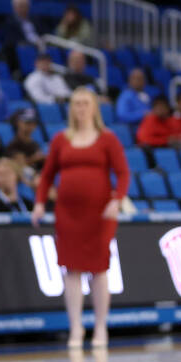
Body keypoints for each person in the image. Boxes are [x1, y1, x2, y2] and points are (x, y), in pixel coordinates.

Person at [31, 88, 130, 348]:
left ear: (94, 107)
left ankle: (100, 327)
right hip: (68, 213)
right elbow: (47, 175)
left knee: (99, 268)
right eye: (76, 104)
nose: (81, 108)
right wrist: (40, 203)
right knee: (70, 268)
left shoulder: (108, 139)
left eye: (86, 103)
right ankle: (75, 326)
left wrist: (116, 200)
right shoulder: (61, 140)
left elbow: (122, 174)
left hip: (99, 214)